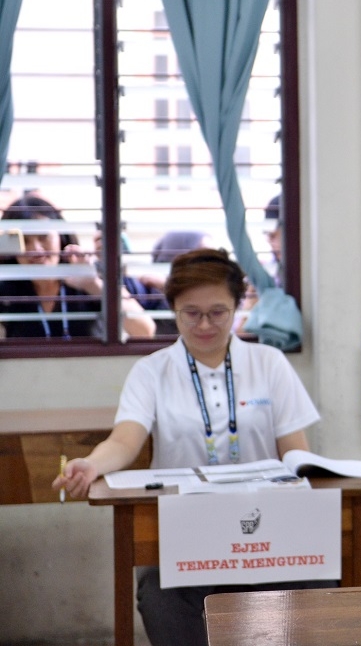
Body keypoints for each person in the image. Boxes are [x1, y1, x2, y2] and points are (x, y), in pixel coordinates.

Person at [52, 247, 333, 646]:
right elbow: (125, 439)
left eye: (218, 312)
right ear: (174, 309)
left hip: (265, 531)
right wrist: (93, 464)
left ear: (238, 305)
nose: (205, 324)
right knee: (160, 594)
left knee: (319, 577)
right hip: (185, 532)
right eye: (191, 313)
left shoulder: (269, 363)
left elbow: (296, 454)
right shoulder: (152, 371)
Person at [0, 195, 156, 340]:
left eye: (43, 237)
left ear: (60, 237)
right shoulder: (7, 293)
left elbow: (144, 331)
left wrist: (93, 285)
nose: (36, 250)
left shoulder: (87, 275)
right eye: (25, 241)